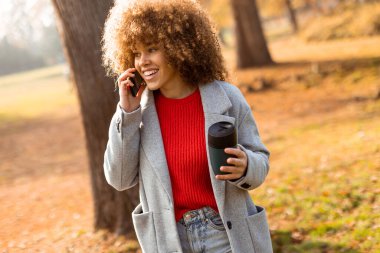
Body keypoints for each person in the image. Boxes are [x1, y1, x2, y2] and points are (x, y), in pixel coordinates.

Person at [102, 0, 273, 252]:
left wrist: (246, 165)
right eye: (136, 53)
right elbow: (119, 179)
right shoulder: (136, 113)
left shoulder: (227, 97)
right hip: (171, 239)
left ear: (178, 46)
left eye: (151, 49)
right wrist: (127, 114)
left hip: (226, 236)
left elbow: (261, 162)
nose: (142, 61)